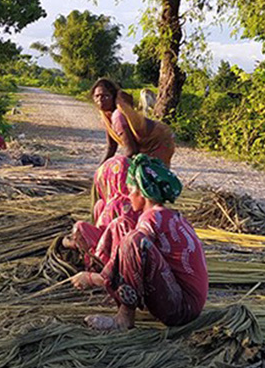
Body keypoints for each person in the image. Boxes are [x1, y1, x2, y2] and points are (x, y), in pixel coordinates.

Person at [70, 154, 208, 331]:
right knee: (123, 226)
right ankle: (124, 300)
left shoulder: (152, 217)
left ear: (142, 194)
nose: (128, 195)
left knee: (133, 241)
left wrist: (92, 278)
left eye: (130, 190)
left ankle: (124, 318)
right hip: (184, 301)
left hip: (182, 309)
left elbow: (133, 247)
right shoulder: (166, 215)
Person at [91, 78, 176, 168]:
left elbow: (131, 151)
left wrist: (118, 167)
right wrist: (100, 169)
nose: (100, 100)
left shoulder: (118, 116)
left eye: (105, 96)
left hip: (158, 141)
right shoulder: (107, 116)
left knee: (153, 174)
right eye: (97, 96)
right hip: (144, 145)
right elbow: (111, 146)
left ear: (114, 97)